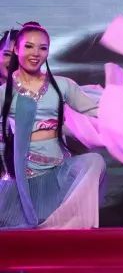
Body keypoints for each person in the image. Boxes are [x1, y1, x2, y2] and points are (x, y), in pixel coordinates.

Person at [0, 22, 106, 229]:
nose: (35, 53)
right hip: (22, 177)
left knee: (94, 161)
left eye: (43, 48)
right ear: (17, 50)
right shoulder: (4, 93)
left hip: (58, 171)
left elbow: (97, 112)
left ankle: (65, 229)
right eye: (28, 46)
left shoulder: (62, 85)